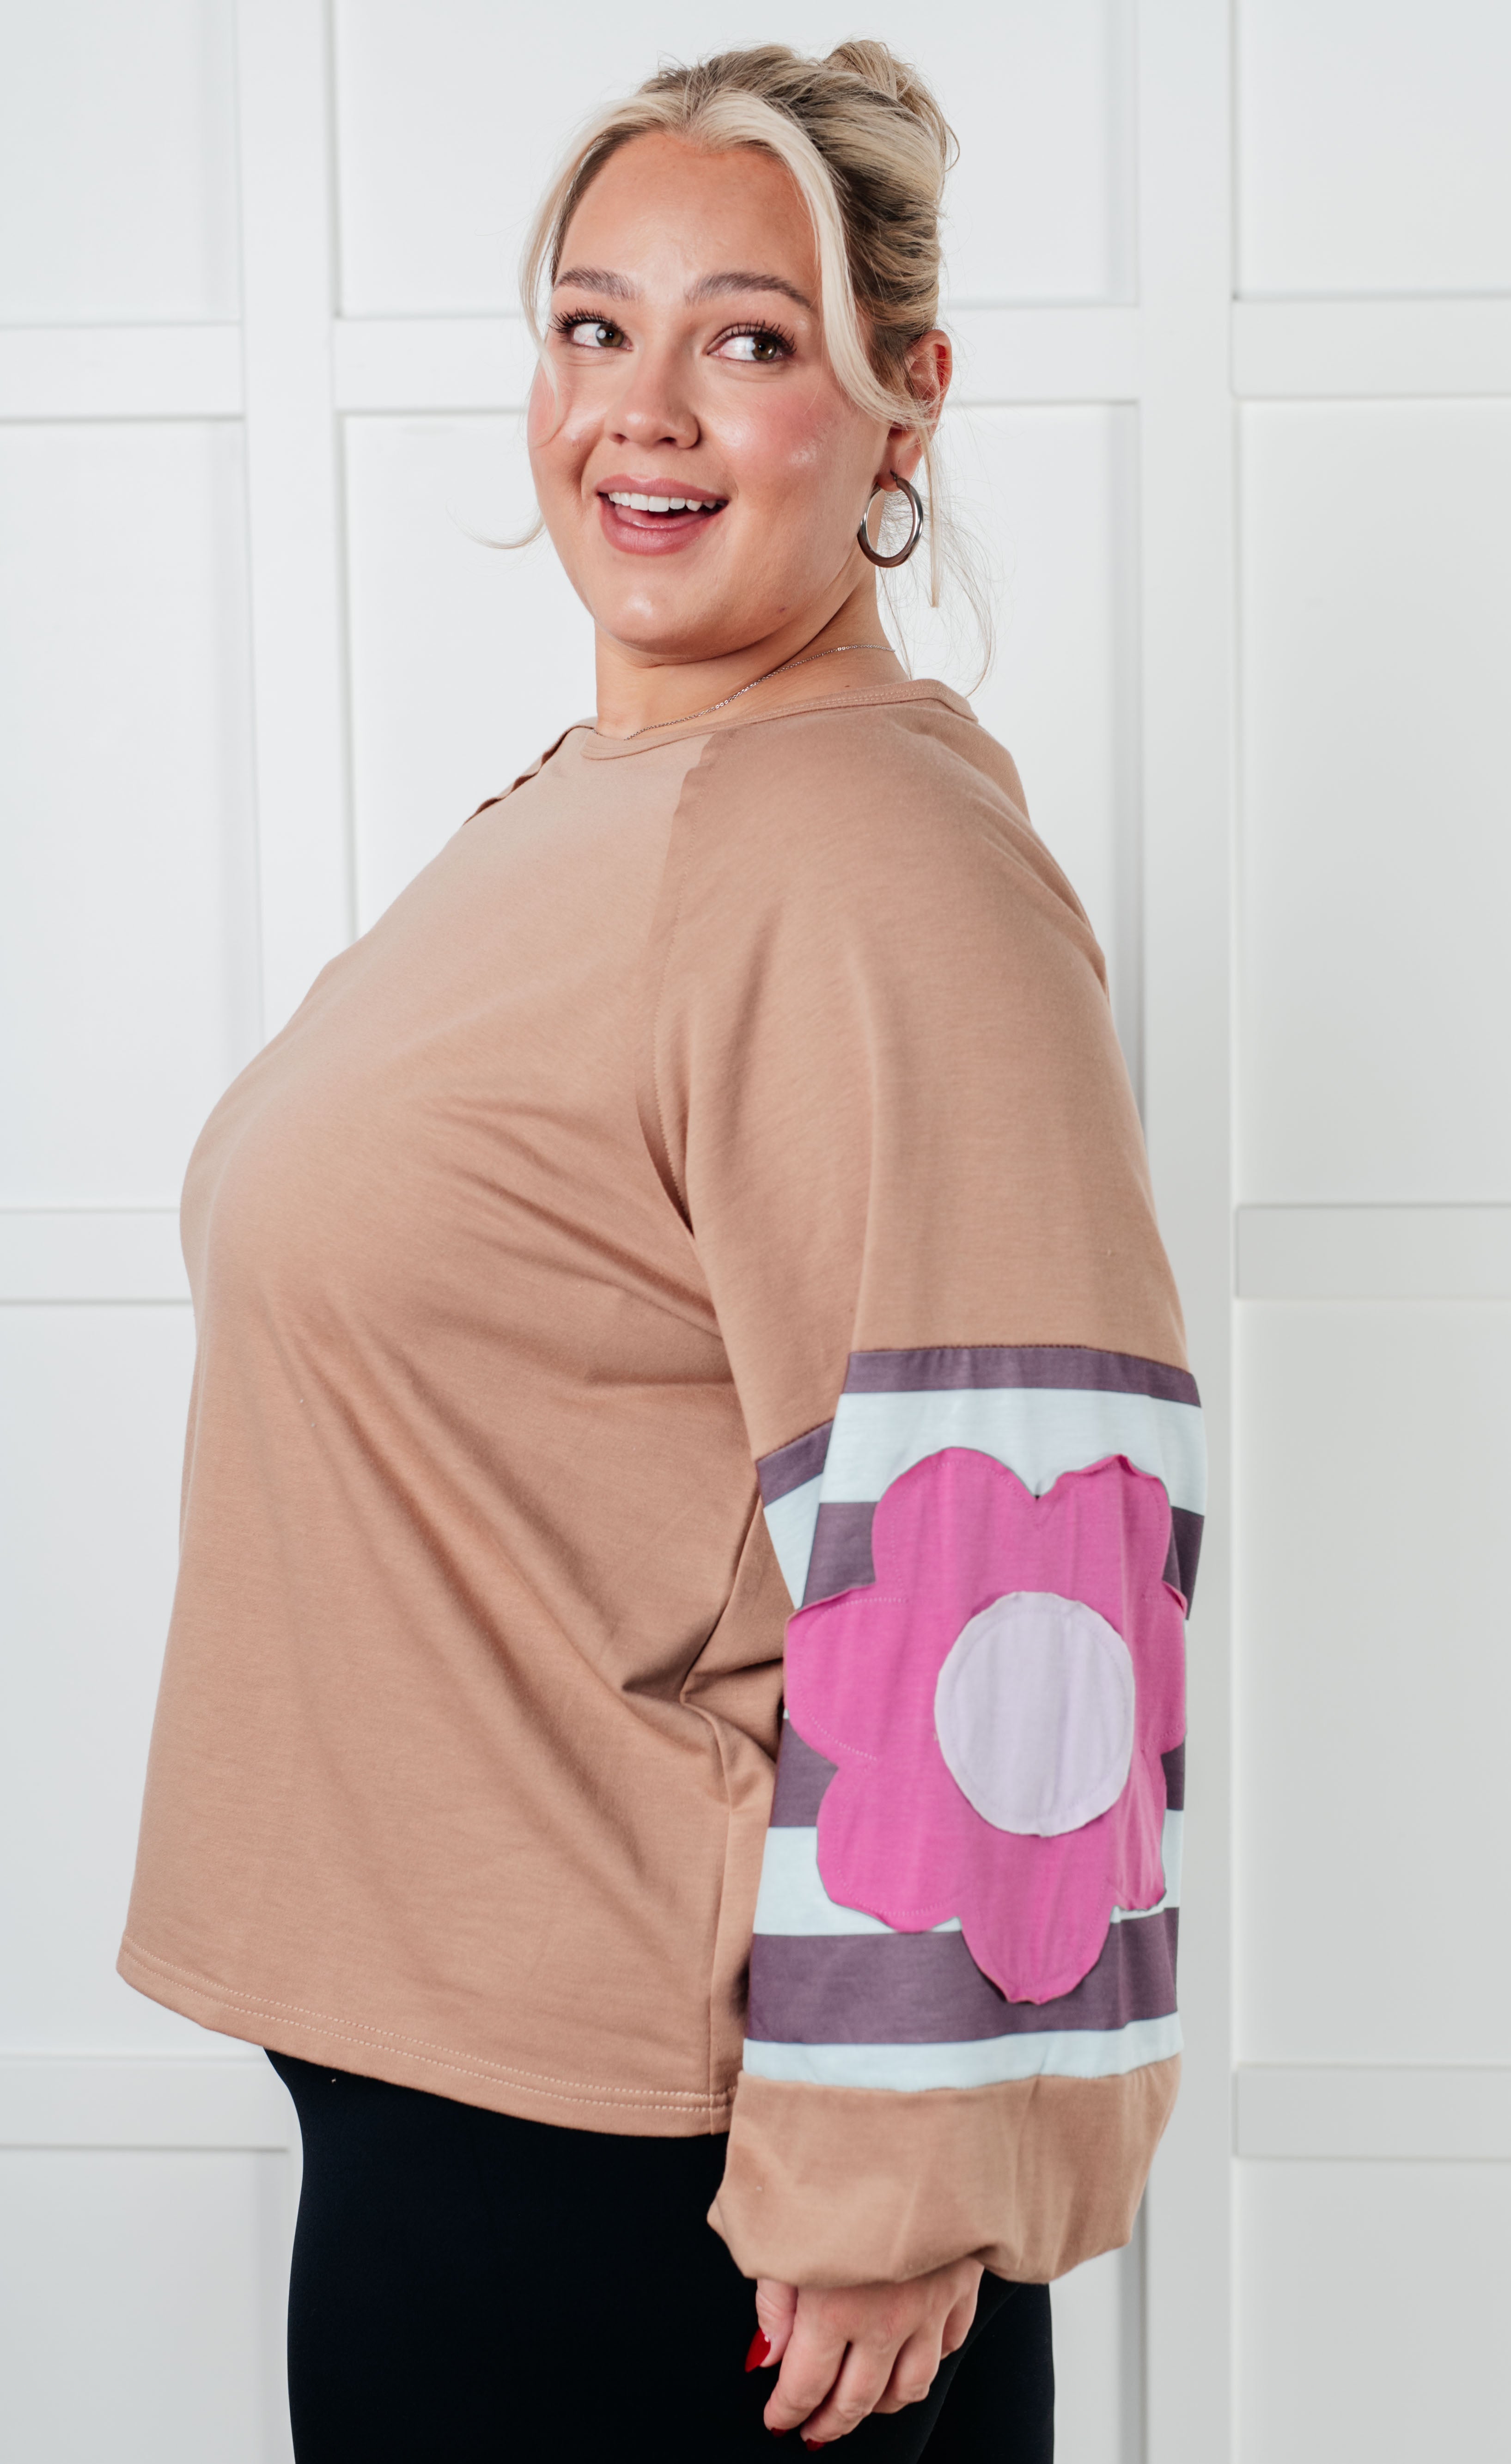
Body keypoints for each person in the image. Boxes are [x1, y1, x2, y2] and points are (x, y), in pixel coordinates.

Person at [119, 41, 1201, 2460]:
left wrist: (900, 2169)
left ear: (908, 404)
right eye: (596, 326)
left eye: (752, 335)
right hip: (460, 2102)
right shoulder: (617, 800)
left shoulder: (858, 850)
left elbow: (1028, 1534)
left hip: (686, 2188)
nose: (647, 414)